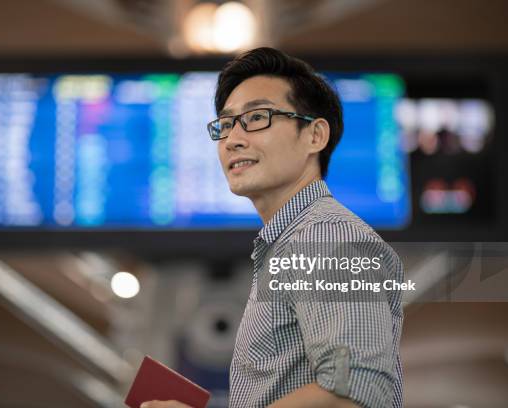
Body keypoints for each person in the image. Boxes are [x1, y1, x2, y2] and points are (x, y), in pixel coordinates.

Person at [142, 47, 403, 408]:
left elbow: (354, 391)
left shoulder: (328, 236)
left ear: (315, 136)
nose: (233, 138)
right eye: (226, 123)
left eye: (257, 117)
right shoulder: (289, 245)